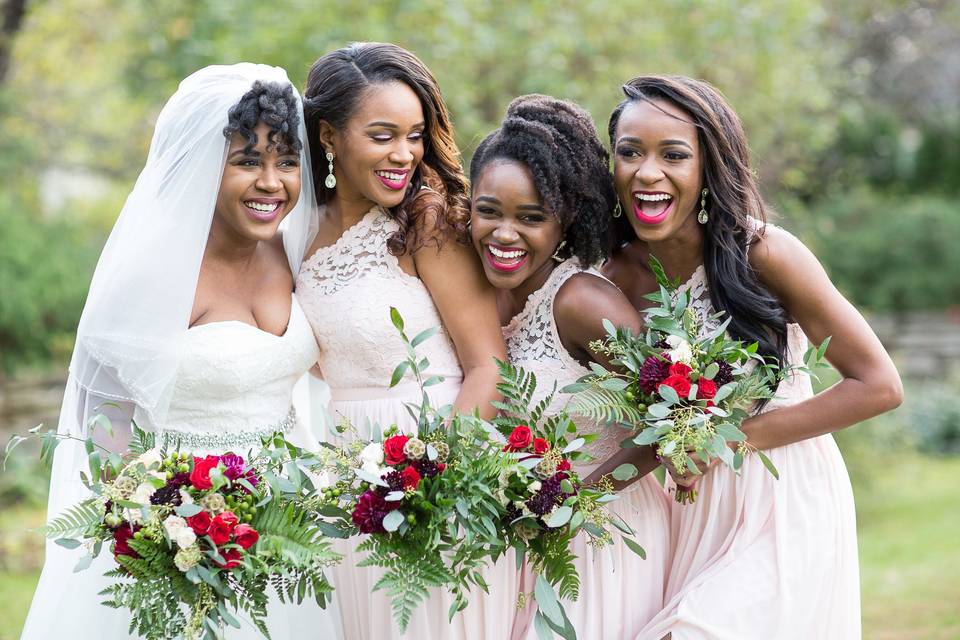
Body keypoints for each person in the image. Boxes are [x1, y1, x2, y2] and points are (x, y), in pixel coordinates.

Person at [21, 63, 340, 639]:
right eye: (247, 162)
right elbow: (104, 440)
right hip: (182, 539)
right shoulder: (149, 279)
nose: (273, 183)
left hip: (290, 530)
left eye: (286, 162)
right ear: (200, 169)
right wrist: (163, 531)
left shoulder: (291, 251)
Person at [602, 75, 903, 639]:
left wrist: (728, 442)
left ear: (709, 166)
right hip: (691, 510)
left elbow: (879, 384)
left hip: (784, 491)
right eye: (629, 152)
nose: (647, 171)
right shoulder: (612, 277)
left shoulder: (765, 252)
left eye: (673, 155)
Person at [295, 42, 507, 639]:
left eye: (415, 135)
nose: (404, 154)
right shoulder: (296, 230)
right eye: (383, 134)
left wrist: (434, 482)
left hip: (436, 470)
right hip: (346, 483)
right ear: (330, 136)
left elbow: (490, 366)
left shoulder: (426, 221)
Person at [467, 94, 672, 639]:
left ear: (565, 222)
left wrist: (580, 503)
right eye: (488, 211)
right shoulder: (479, 299)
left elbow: (670, 423)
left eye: (531, 218)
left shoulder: (581, 301)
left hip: (601, 541)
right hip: (526, 550)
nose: (504, 234)